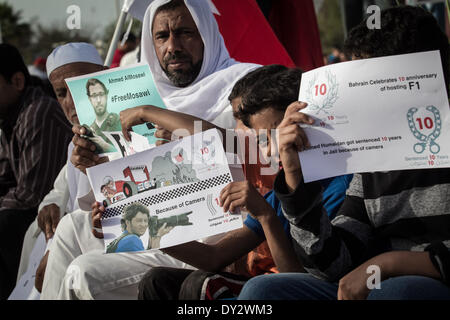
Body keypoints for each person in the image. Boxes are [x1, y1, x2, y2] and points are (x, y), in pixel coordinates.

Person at [41, 0, 259, 300]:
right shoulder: (136, 94)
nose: (173, 46)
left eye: (185, 33)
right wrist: (94, 165)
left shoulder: (245, 84)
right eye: (162, 36)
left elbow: (258, 153)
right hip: (149, 221)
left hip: (207, 234)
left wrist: (174, 130)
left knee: (84, 272)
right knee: (70, 228)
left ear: (206, 33)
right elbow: (128, 181)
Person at [237, 5, 450, 300]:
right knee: (264, 290)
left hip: (414, 287)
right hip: (377, 285)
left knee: (399, 291)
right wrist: (297, 179)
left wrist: (388, 264)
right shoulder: (375, 165)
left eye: (368, 83)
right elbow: (333, 265)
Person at [109, 65, 352, 300]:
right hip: (256, 282)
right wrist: (146, 232)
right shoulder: (280, 188)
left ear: (304, 123)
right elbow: (214, 257)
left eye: (274, 134)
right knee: (158, 281)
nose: (267, 151)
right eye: (260, 137)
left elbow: (293, 283)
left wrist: (266, 216)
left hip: (279, 289)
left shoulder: (340, 188)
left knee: (206, 286)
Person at [13, 42, 109, 296]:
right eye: (61, 93)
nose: (71, 102)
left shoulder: (130, 127)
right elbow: (61, 188)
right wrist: (52, 204)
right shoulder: (73, 144)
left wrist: (54, 252)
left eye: (79, 88)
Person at [0, 44, 73, 299]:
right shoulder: (9, 118)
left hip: (46, 217)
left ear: (17, 81)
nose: (70, 102)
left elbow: (30, 193)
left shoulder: (38, 112)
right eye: (62, 92)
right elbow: (6, 178)